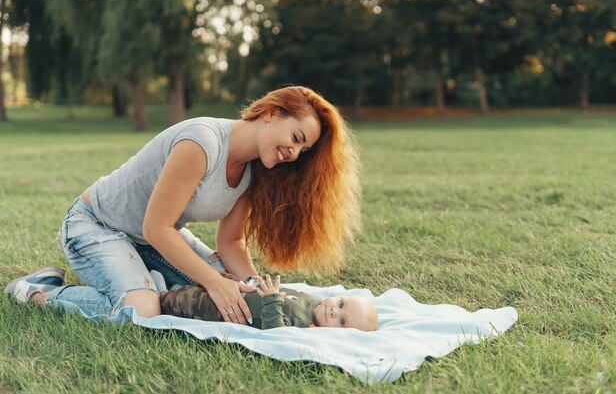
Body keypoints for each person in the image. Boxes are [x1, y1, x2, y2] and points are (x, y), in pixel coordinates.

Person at [4, 86, 360, 325]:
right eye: (296, 138)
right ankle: (38, 291)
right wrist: (216, 284)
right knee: (143, 310)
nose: (294, 153)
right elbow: (155, 227)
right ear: (271, 113)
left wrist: (251, 285)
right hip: (95, 226)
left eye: (303, 150)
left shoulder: (258, 168)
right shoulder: (202, 142)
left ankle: (145, 279)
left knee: (237, 291)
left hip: (152, 240)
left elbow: (231, 242)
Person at [159, 274, 378, 331]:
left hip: (225, 311)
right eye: (340, 304)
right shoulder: (314, 301)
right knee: (208, 281)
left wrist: (273, 299)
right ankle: (175, 284)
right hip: (240, 288)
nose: (333, 312)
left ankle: (162, 292)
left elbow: (275, 330)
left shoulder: (308, 327)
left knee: (183, 302)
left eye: (341, 321)